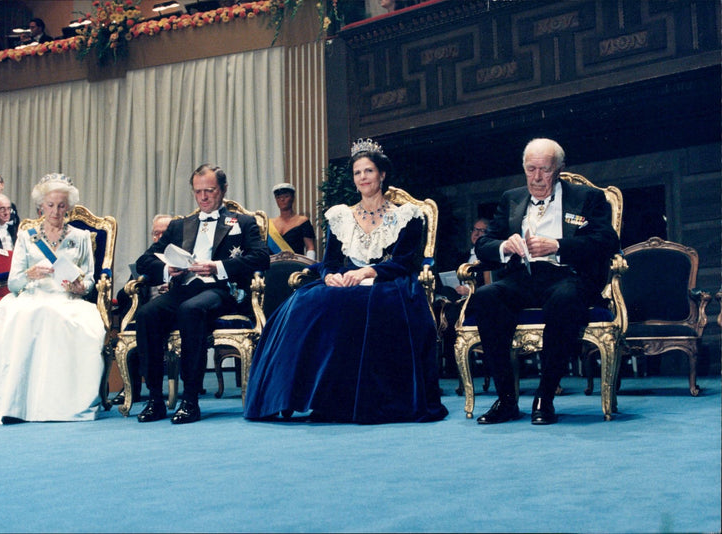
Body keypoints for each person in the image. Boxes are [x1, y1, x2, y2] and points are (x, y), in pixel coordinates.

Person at [244, 139, 448, 424]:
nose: (363, 178)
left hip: (387, 284)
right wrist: (330, 276)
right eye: (357, 173)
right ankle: (290, 395)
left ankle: (353, 399)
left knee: (367, 306)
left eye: (369, 171)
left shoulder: (406, 215)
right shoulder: (341, 216)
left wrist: (366, 273)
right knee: (304, 302)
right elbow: (328, 261)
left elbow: (403, 262)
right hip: (346, 282)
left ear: (382, 175)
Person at [469, 138, 619, 425]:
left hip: (568, 276)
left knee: (564, 299)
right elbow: (484, 244)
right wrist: (505, 246)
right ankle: (507, 400)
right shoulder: (510, 198)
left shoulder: (587, 197)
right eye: (531, 169)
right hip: (522, 277)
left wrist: (558, 246)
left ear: (560, 169)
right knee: (487, 296)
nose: (537, 178)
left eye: (545, 170)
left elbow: (606, 241)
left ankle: (545, 397)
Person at [0, 173, 105, 424]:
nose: (56, 211)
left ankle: (54, 405)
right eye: (50, 205)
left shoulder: (80, 238)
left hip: (67, 299)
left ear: (68, 207)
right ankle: (15, 404)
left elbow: (91, 281)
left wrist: (80, 287)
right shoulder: (28, 236)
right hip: (32, 294)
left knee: (53, 317)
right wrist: (30, 274)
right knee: (13, 319)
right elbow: (14, 282)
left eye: (61, 205)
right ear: (41, 206)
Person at [134, 164, 269, 424]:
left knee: (192, 310)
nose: (204, 197)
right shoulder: (179, 226)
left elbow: (262, 258)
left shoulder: (242, 222)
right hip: (183, 288)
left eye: (210, 190)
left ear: (223, 190)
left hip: (221, 289)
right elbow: (144, 261)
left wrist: (217, 267)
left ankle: (191, 399)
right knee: (148, 313)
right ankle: (154, 398)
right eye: (198, 192)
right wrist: (166, 269)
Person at [110, 213, 173, 406]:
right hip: (148, 312)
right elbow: (122, 295)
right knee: (135, 320)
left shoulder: (183, 259)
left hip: (174, 311)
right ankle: (131, 388)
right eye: (155, 234)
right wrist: (137, 283)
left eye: (164, 233)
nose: (159, 238)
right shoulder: (147, 260)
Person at [434, 217, 491, 379]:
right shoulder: (463, 256)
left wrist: (469, 292)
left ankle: (458, 366)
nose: (477, 233)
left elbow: (491, 285)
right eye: (475, 230)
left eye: (482, 230)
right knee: (442, 309)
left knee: (452, 314)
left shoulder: (490, 257)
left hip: (476, 300)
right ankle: (449, 365)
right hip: (457, 299)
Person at [267, 182, 316, 259]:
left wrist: (309, 267)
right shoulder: (269, 224)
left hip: (296, 266)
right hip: (274, 266)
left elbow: (310, 248)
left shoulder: (302, 221)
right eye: (278, 197)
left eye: (286, 196)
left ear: (293, 198)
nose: (282, 199)